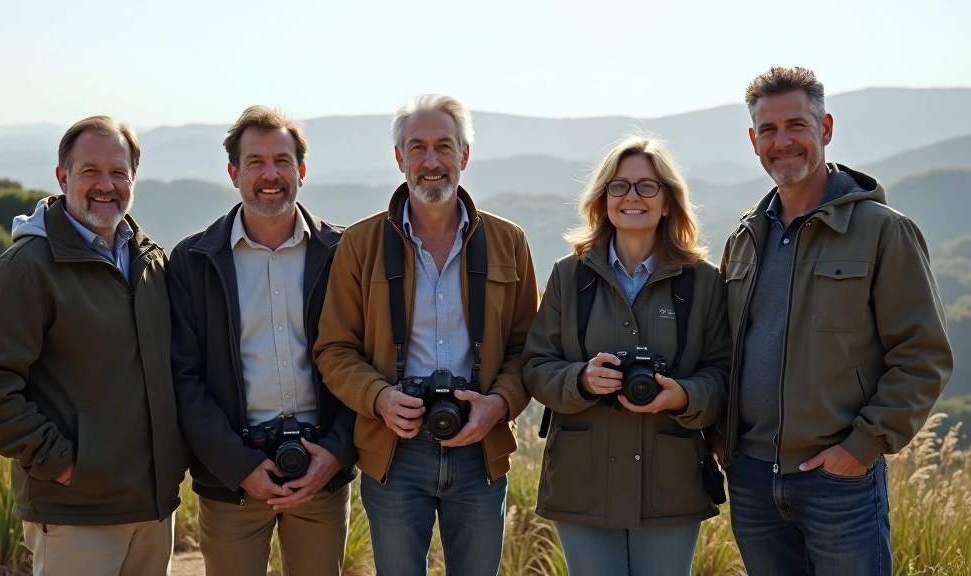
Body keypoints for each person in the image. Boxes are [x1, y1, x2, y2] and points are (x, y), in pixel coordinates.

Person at [718, 66, 953, 576]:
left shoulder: (883, 232)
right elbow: (725, 350)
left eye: (796, 125)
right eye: (769, 130)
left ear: (824, 129)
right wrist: (722, 436)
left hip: (838, 481)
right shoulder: (744, 240)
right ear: (753, 140)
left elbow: (923, 356)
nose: (783, 141)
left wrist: (859, 449)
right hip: (752, 479)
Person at [313, 94, 539, 576]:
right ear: (399, 159)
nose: (431, 161)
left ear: (465, 155)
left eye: (444, 146)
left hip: (482, 448)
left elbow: (529, 350)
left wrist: (497, 405)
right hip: (393, 451)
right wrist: (380, 399)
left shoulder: (509, 242)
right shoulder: (361, 244)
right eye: (417, 148)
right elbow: (334, 348)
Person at [0, 116, 188, 576]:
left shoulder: (150, 262)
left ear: (133, 180)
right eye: (90, 171)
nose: (106, 185)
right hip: (75, 514)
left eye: (118, 172)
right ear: (63, 177)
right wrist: (67, 467)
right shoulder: (28, 269)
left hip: (153, 510)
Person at [521, 135, 731, 575]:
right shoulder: (569, 275)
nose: (631, 197)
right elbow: (536, 366)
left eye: (647, 186)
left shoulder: (704, 283)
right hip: (583, 485)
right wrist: (580, 380)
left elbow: (724, 374)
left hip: (669, 485)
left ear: (669, 201)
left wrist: (684, 396)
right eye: (618, 186)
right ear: (603, 200)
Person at [166, 106, 358, 576]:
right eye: (255, 162)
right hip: (231, 482)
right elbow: (184, 381)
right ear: (234, 173)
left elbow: (368, 361)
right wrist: (240, 467)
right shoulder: (192, 262)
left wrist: (335, 455)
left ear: (302, 171)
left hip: (321, 476)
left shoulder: (345, 254)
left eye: (282, 161)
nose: (270, 174)